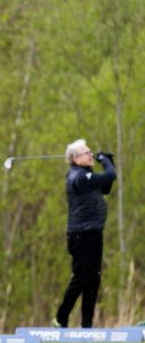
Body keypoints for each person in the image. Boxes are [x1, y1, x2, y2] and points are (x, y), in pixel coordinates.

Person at [53, 139, 116, 328]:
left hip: (94, 232)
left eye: (91, 152)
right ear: (75, 159)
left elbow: (106, 187)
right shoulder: (78, 177)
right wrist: (105, 161)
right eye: (86, 153)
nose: (90, 155)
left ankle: (87, 324)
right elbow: (110, 176)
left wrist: (110, 162)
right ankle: (60, 318)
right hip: (81, 234)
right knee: (81, 278)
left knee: (93, 278)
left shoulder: (87, 175)